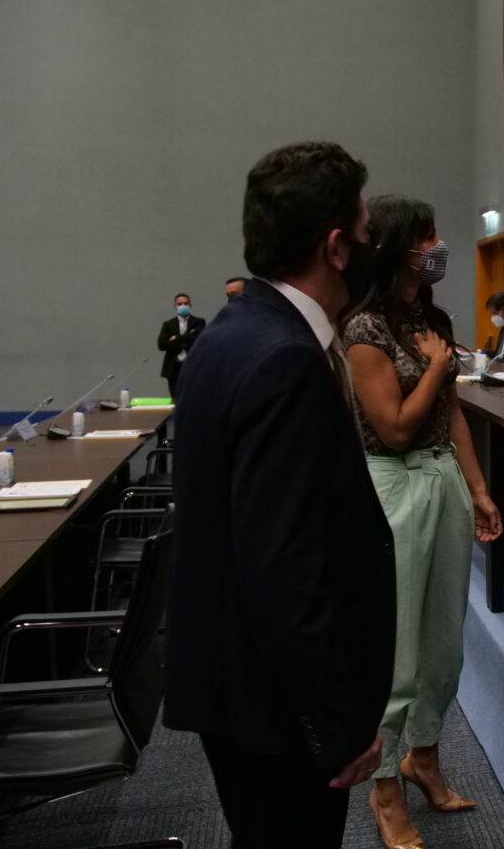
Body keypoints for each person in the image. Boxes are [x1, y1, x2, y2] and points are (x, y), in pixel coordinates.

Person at [164, 141, 395, 848]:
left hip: (239, 684)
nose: (371, 248)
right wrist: (337, 722)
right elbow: (283, 571)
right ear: (336, 248)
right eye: (365, 233)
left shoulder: (232, 331)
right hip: (277, 707)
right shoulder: (286, 359)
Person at [343, 194, 502, 849]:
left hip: (444, 479)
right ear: (395, 247)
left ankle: (425, 757)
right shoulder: (364, 329)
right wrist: (438, 365)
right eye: (426, 236)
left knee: (442, 642)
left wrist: (480, 489)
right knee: (399, 647)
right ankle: (384, 786)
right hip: (394, 485)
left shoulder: (429, 317)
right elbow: (395, 427)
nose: (437, 246)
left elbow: (450, 414)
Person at [157, 293, 206, 399]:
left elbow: (198, 336)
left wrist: (176, 338)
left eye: (186, 303)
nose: (183, 306)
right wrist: (181, 344)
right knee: (176, 397)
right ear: (175, 306)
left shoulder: (199, 322)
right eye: (179, 304)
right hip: (174, 366)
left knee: (194, 396)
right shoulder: (168, 324)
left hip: (193, 364)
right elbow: (161, 344)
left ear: (190, 305)